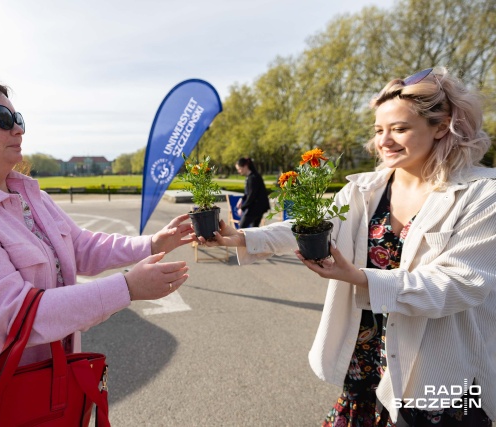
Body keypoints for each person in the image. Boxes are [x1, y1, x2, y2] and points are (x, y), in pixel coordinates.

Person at [0, 73, 194, 426]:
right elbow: (14, 317)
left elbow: (80, 247)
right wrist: (128, 287)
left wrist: (154, 243)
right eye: (1, 118)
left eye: (19, 119)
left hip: (37, 395)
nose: (18, 130)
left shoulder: (29, 195)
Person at [201, 67, 495, 426]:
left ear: (440, 125)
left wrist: (360, 278)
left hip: (439, 371)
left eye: (400, 128)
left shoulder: (483, 195)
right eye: (378, 130)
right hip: (367, 359)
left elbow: (459, 284)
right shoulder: (365, 188)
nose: (384, 140)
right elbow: (310, 224)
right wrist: (244, 237)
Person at [234, 157, 270, 228]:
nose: (239, 171)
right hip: (258, 208)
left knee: (241, 228)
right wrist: (242, 199)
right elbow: (248, 192)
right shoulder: (251, 177)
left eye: (239, 169)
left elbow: (251, 196)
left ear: (245, 166)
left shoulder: (253, 178)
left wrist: (242, 208)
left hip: (256, 208)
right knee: (254, 229)